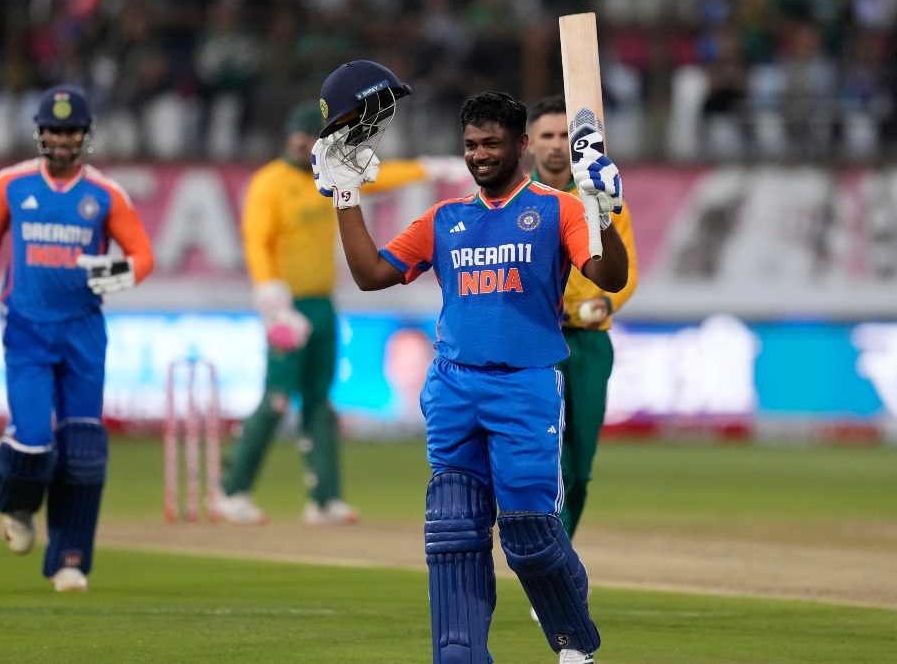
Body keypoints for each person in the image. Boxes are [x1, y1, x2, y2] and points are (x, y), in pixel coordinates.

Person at [313, 65, 627, 663]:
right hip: (453, 387)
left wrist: (604, 211)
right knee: (453, 531)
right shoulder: (444, 219)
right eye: (471, 146)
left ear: (521, 146)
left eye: (491, 144)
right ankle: (459, 653)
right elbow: (371, 274)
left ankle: (574, 643)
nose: (479, 156)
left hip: (526, 387)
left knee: (529, 535)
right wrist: (346, 197)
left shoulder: (558, 210)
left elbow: (610, 276)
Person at [0, 84, 154, 593]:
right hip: (26, 331)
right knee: (35, 441)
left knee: (83, 450)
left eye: (71, 132)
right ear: (39, 133)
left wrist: (122, 271)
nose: (62, 141)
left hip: (84, 333)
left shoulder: (105, 194)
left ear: (85, 136)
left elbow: (144, 255)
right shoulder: (11, 184)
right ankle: (17, 504)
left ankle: (69, 559)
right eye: (54, 131)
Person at [217, 98, 441, 525]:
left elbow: (380, 177)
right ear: (289, 137)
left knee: (320, 404)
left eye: (312, 138)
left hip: (321, 304)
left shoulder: (329, 176)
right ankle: (232, 491)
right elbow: (257, 241)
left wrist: (427, 169)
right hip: (284, 305)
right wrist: (271, 298)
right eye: (299, 137)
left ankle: (325, 499)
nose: (304, 145)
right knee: (278, 399)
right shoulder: (270, 183)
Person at [527, 95, 638, 540]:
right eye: (547, 136)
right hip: (537, 342)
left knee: (580, 469)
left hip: (590, 343)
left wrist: (606, 304)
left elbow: (625, 273)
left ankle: (560, 559)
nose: (556, 146)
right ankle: (550, 567)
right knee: (551, 461)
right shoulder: (518, 198)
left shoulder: (605, 197)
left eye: (564, 137)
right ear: (529, 143)